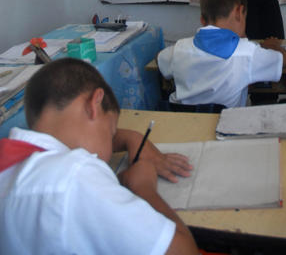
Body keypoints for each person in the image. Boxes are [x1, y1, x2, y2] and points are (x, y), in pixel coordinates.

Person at [0, 58, 198, 255]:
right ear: (94, 103)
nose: (110, 149)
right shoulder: (73, 175)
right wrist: (144, 187)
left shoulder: (14, 160)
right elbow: (183, 251)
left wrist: (131, 137)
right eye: (111, 132)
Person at [158, 0, 286, 108]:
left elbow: (159, 59)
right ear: (239, 12)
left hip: (183, 123)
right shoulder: (246, 52)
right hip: (225, 125)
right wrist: (271, 45)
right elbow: (285, 60)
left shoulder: (180, 48)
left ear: (203, 20)